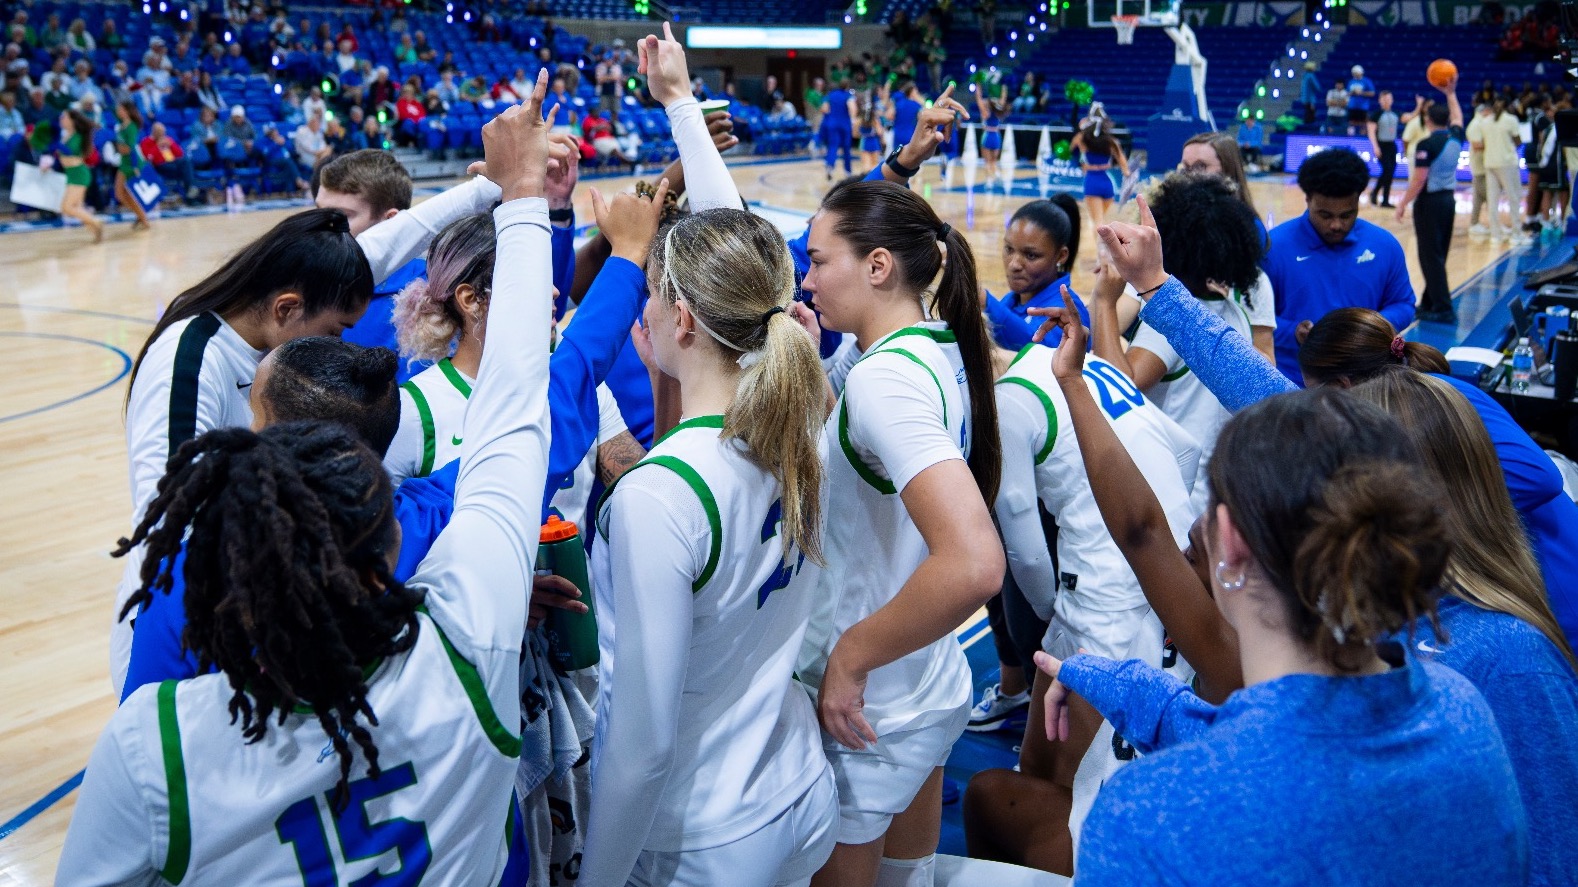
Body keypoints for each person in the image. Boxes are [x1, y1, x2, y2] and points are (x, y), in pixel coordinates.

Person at [59, 86, 559, 884]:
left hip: (274, 636)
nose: (339, 342)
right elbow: (179, 528)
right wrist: (522, 198)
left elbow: (386, 249)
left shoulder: (159, 754)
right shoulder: (193, 360)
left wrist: (495, 187)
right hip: (198, 607)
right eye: (331, 329)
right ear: (289, 311)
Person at [1029, 345, 1526, 882]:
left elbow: (1263, 763)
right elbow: (1286, 748)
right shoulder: (1464, 711)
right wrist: (1115, 681)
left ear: (1233, 545)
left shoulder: (1148, 816)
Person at [580, 200, 839, 885]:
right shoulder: (803, 428)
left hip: (700, 833)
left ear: (684, 318)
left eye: (654, 295)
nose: (648, 312)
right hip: (797, 780)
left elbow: (643, 748)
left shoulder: (657, 495)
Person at [797, 180, 1004, 887]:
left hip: (872, 705)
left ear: (878, 265)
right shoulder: (927, 352)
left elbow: (975, 562)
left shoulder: (886, 380)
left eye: (820, 260)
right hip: (922, 680)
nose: (808, 277)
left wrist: (851, 656)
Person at [963, 286, 1198, 874]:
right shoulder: (1071, 360)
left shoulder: (1007, 405)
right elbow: (1186, 450)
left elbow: (1022, 552)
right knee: (1039, 776)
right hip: (1162, 585)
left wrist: (1053, 612)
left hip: (1104, 606)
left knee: (1067, 800)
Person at [1092, 172, 1265, 509]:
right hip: (1223, 488)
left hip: (1174, 491)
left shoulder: (1171, 322)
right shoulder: (1235, 312)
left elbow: (1118, 385)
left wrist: (1104, 304)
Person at [1263, 147, 1413, 384]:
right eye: (1325, 215)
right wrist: (1292, 332)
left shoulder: (1384, 246)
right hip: (1292, 385)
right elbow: (1252, 318)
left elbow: (1403, 304)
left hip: (1367, 384)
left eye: (1346, 215)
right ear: (1307, 199)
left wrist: (1366, 329)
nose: (1336, 225)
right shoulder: (1274, 248)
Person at [1396, 76, 1464, 325]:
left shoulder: (1426, 143)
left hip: (1430, 204)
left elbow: (1419, 179)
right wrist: (1451, 93)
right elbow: (1458, 118)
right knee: (1438, 254)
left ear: (1426, 119)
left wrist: (1403, 203)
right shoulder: (1455, 137)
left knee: (1429, 256)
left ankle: (1444, 308)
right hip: (1448, 201)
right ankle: (1430, 303)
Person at [982, 196, 1088, 351]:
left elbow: (1042, 353)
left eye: (1031, 255)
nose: (1014, 264)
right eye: (1009, 249)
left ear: (1061, 256)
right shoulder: (1010, 301)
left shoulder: (1069, 310)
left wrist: (987, 303)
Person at [1467, 99, 1523, 243]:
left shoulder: (1485, 122)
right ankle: (1516, 234)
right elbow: (1518, 141)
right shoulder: (1511, 119)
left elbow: (1482, 142)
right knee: (1514, 198)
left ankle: (1495, 235)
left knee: (1492, 200)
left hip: (1489, 162)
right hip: (1506, 162)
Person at [47, 108, 104, 242]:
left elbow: (71, 151)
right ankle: (95, 231)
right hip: (71, 174)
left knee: (66, 207)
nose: (61, 119)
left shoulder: (78, 136)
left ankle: (97, 222)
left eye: (64, 117)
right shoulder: (65, 135)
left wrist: (57, 146)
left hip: (79, 174)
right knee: (77, 208)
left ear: (72, 121)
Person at [1070, 113, 1127, 228]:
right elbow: (1122, 161)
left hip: (1092, 182)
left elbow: (1070, 152)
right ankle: (1098, 238)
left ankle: (1099, 244)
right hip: (1107, 184)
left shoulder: (1081, 138)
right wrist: (1127, 173)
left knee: (1097, 221)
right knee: (1099, 219)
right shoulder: (1111, 141)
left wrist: (1082, 165)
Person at [111, 101, 151, 232]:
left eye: (120, 109)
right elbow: (110, 105)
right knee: (120, 194)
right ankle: (140, 215)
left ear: (127, 111)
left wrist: (121, 149)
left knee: (127, 194)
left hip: (132, 163)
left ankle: (143, 219)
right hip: (123, 163)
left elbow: (130, 148)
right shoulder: (121, 125)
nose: (118, 111)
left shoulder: (132, 127)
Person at [1367, 90, 1401, 207]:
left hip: (1392, 145)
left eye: (1389, 98)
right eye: (1384, 99)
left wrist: (1418, 107)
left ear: (1392, 100)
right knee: (1387, 170)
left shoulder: (1395, 113)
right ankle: (1375, 193)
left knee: (1390, 172)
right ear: (1380, 101)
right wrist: (1375, 147)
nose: (1387, 101)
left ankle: (1384, 199)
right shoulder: (1376, 115)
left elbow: (1407, 117)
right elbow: (1371, 132)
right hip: (1381, 145)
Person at [822, 79, 857, 179]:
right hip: (845, 124)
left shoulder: (831, 95)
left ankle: (830, 166)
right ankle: (848, 171)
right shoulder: (848, 95)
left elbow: (824, 108)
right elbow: (852, 108)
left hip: (832, 124)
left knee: (833, 146)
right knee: (846, 148)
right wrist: (853, 120)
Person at [977, 95, 1003, 183]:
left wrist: (978, 86)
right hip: (996, 136)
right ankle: (997, 174)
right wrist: (1004, 88)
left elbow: (979, 100)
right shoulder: (999, 113)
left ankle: (988, 180)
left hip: (988, 135)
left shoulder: (985, 112)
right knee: (994, 161)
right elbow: (1003, 99)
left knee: (987, 161)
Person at [1345, 64, 1374, 133]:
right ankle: (1350, 136)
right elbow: (1347, 92)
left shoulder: (1366, 81)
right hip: (1352, 106)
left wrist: (1361, 93)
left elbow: (1372, 93)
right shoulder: (1351, 81)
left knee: (1363, 123)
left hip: (1363, 107)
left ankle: (1362, 136)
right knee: (1351, 123)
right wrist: (1353, 93)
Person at [858, 102, 886, 173]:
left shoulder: (860, 121)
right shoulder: (875, 121)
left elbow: (855, 133)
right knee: (874, 165)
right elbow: (880, 132)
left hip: (864, 142)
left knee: (866, 165)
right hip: (874, 142)